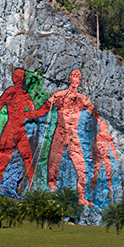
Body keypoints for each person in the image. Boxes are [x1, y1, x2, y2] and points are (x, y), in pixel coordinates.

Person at [36, 69, 96, 206]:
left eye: (78, 77)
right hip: (59, 133)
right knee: (53, 163)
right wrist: (29, 115)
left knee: (81, 166)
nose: (76, 79)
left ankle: (81, 196)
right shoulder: (59, 96)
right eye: (74, 76)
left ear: (80, 82)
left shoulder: (82, 99)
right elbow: (43, 110)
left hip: (72, 135)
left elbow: (95, 113)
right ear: (69, 79)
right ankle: (51, 188)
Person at [0, 68, 42, 194]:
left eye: (21, 76)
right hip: (10, 129)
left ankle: (32, 185)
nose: (19, 79)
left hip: (20, 130)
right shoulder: (9, 92)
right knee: (3, 156)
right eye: (17, 76)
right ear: (13, 78)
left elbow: (33, 112)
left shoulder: (25, 95)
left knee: (28, 156)